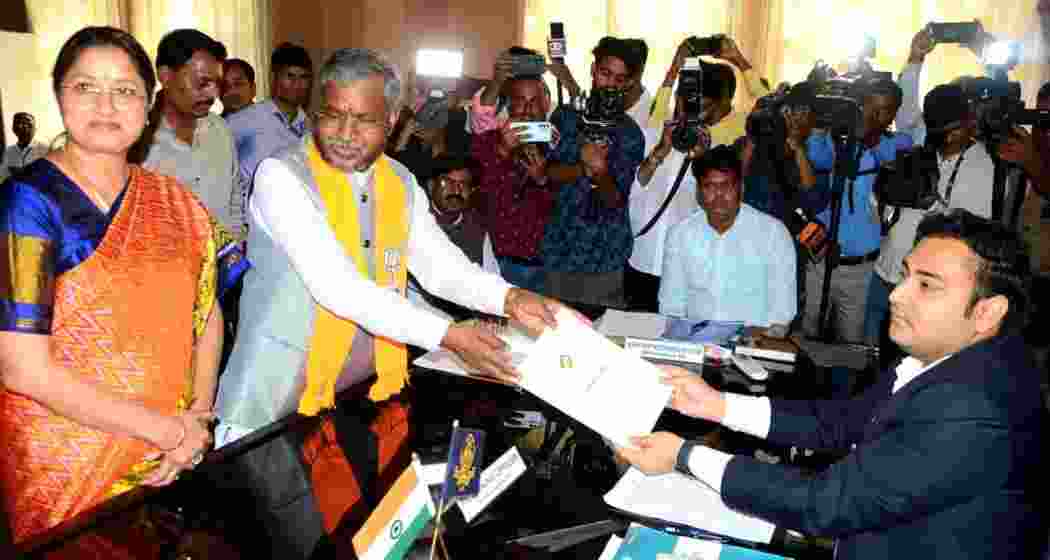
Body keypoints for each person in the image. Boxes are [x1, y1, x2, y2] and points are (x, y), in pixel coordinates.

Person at [213, 48, 564, 558]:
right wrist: (450, 335)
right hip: (270, 416)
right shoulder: (281, 176)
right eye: (333, 115)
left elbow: (441, 268)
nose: (345, 133)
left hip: (353, 404)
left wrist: (509, 297)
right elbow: (340, 288)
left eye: (364, 120)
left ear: (393, 119)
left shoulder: (398, 181)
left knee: (367, 541)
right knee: (305, 550)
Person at [620, 209, 1046, 558]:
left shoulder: (976, 407)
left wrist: (685, 456)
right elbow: (842, 422)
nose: (897, 294)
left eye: (926, 285)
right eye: (906, 275)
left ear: (988, 312)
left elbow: (826, 504)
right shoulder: (945, 356)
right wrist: (716, 405)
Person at [0, 26, 242, 555]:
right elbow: (21, 368)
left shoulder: (175, 200)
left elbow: (208, 313)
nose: (106, 105)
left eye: (125, 90)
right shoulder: (27, 204)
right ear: (59, 95)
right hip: (69, 470)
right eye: (86, 86)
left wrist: (196, 421)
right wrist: (167, 430)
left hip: (168, 456)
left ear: (149, 103)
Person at [866, 84, 997, 347]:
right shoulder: (918, 154)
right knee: (870, 353)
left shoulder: (982, 167)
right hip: (886, 271)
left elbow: (971, 235)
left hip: (926, 285)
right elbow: (881, 203)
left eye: (947, 128)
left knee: (909, 356)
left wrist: (937, 206)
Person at [801, 78, 913, 343]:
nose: (873, 115)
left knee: (850, 342)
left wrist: (868, 137)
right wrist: (820, 126)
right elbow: (817, 158)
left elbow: (890, 154)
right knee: (809, 331)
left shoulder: (897, 143)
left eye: (882, 110)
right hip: (821, 256)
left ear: (894, 114)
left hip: (860, 268)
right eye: (868, 107)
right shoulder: (838, 141)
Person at [541, 37, 646, 308]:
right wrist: (583, 168)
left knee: (602, 331)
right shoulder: (564, 117)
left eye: (619, 79)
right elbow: (546, 174)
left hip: (604, 256)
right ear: (593, 70)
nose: (610, 84)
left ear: (629, 83)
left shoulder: (630, 134)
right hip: (560, 248)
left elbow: (615, 200)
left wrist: (600, 172)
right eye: (605, 73)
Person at [659, 146, 796, 326]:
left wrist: (758, 338)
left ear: (741, 188)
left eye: (726, 185)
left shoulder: (773, 234)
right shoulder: (680, 235)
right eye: (709, 186)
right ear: (698, 191)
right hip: (695, 337)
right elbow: (671, 306)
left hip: (753, 338)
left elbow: (782, 312)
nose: (718, 195)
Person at [142, 29, 244, 238]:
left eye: (217, 83)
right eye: (202, 83)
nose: (213, 94)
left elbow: (234, 203)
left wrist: (237, 245)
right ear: (166, 76)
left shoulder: (220, 130)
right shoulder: (138, 142)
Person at [472, 70, 557, 293]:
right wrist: (502, 151)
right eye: (520, 101)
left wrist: (542, 180)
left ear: (546, 106)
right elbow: (477, 197)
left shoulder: (558, 145)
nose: (527, 110)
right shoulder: (486, 142)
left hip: (547, 266)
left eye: (534, 102)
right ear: (509, 105)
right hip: (495, 261)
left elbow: (567, 207)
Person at [227, 42, 314, 199]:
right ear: (274, 78)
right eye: (290, 76)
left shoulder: (310, 129)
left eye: (304, 77)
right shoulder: (247, 118)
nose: (297, 84)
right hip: (250, 211)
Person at [1, 112, 48, 181]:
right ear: (13, 128)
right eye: (18, 122)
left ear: (35, 128)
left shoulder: (45, 149)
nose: (22, 126)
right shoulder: (9, 152)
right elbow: (3, 176)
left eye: (27, 123)